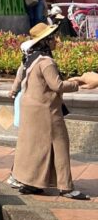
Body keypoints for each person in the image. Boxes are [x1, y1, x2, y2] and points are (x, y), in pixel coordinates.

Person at [8, 23, 98, 199]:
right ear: (46, 41)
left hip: (30, 108)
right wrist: (80, 82)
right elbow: (57, 85)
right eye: (53, 37)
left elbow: (20, 77)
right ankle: (66, 188)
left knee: (33, 146)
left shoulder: (31, 58)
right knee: (60, 144)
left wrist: (12, 90)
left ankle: (30, 183)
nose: (57, 40)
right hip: (45, 110)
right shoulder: (46, 61)